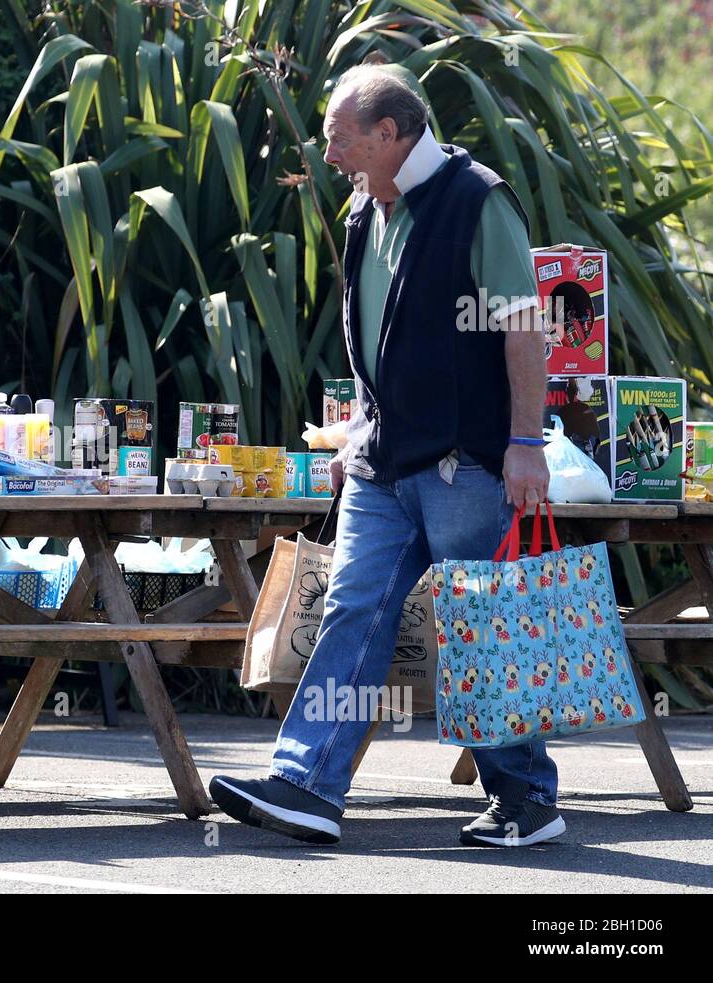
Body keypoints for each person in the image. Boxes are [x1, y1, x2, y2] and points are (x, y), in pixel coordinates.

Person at [210, 64, 557, 847]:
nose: (328, 152)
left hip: (465, 463)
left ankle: (528, 795)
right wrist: (360, 432)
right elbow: (382, 335)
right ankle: (307, 782)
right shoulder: (370, 202)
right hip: (382, 462)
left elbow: (523, 327)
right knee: (351, 611)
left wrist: (527, 444)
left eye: (341, 137)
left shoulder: (478, 200)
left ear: (391, 133)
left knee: (481, 628)